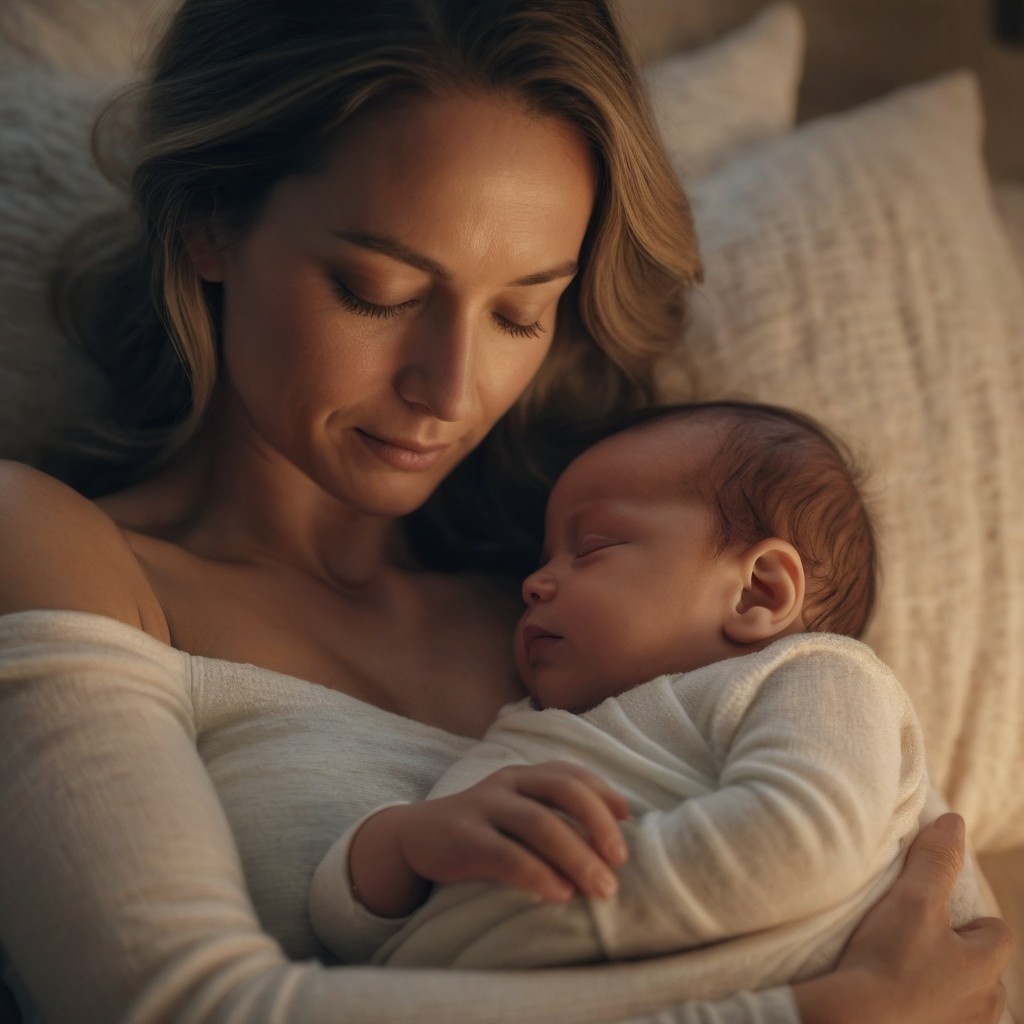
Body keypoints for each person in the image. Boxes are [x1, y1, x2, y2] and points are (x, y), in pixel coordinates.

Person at [0, 1, 1012, 1022]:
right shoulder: (61, 550)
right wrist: (817, 1016)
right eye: (380, 291)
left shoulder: (610, 598)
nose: (451, 390)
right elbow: (177, 1005)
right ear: (213, 217)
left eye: (520, 311)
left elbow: (895, 890)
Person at [308, 401, 943, 990]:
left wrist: (546, 921)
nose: (533, 582)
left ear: (759, 593)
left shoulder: (819, 679)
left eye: (591, 548)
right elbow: (353, 936)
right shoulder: (537, 725)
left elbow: (804, 844)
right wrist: (399, 844)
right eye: (544, 555)